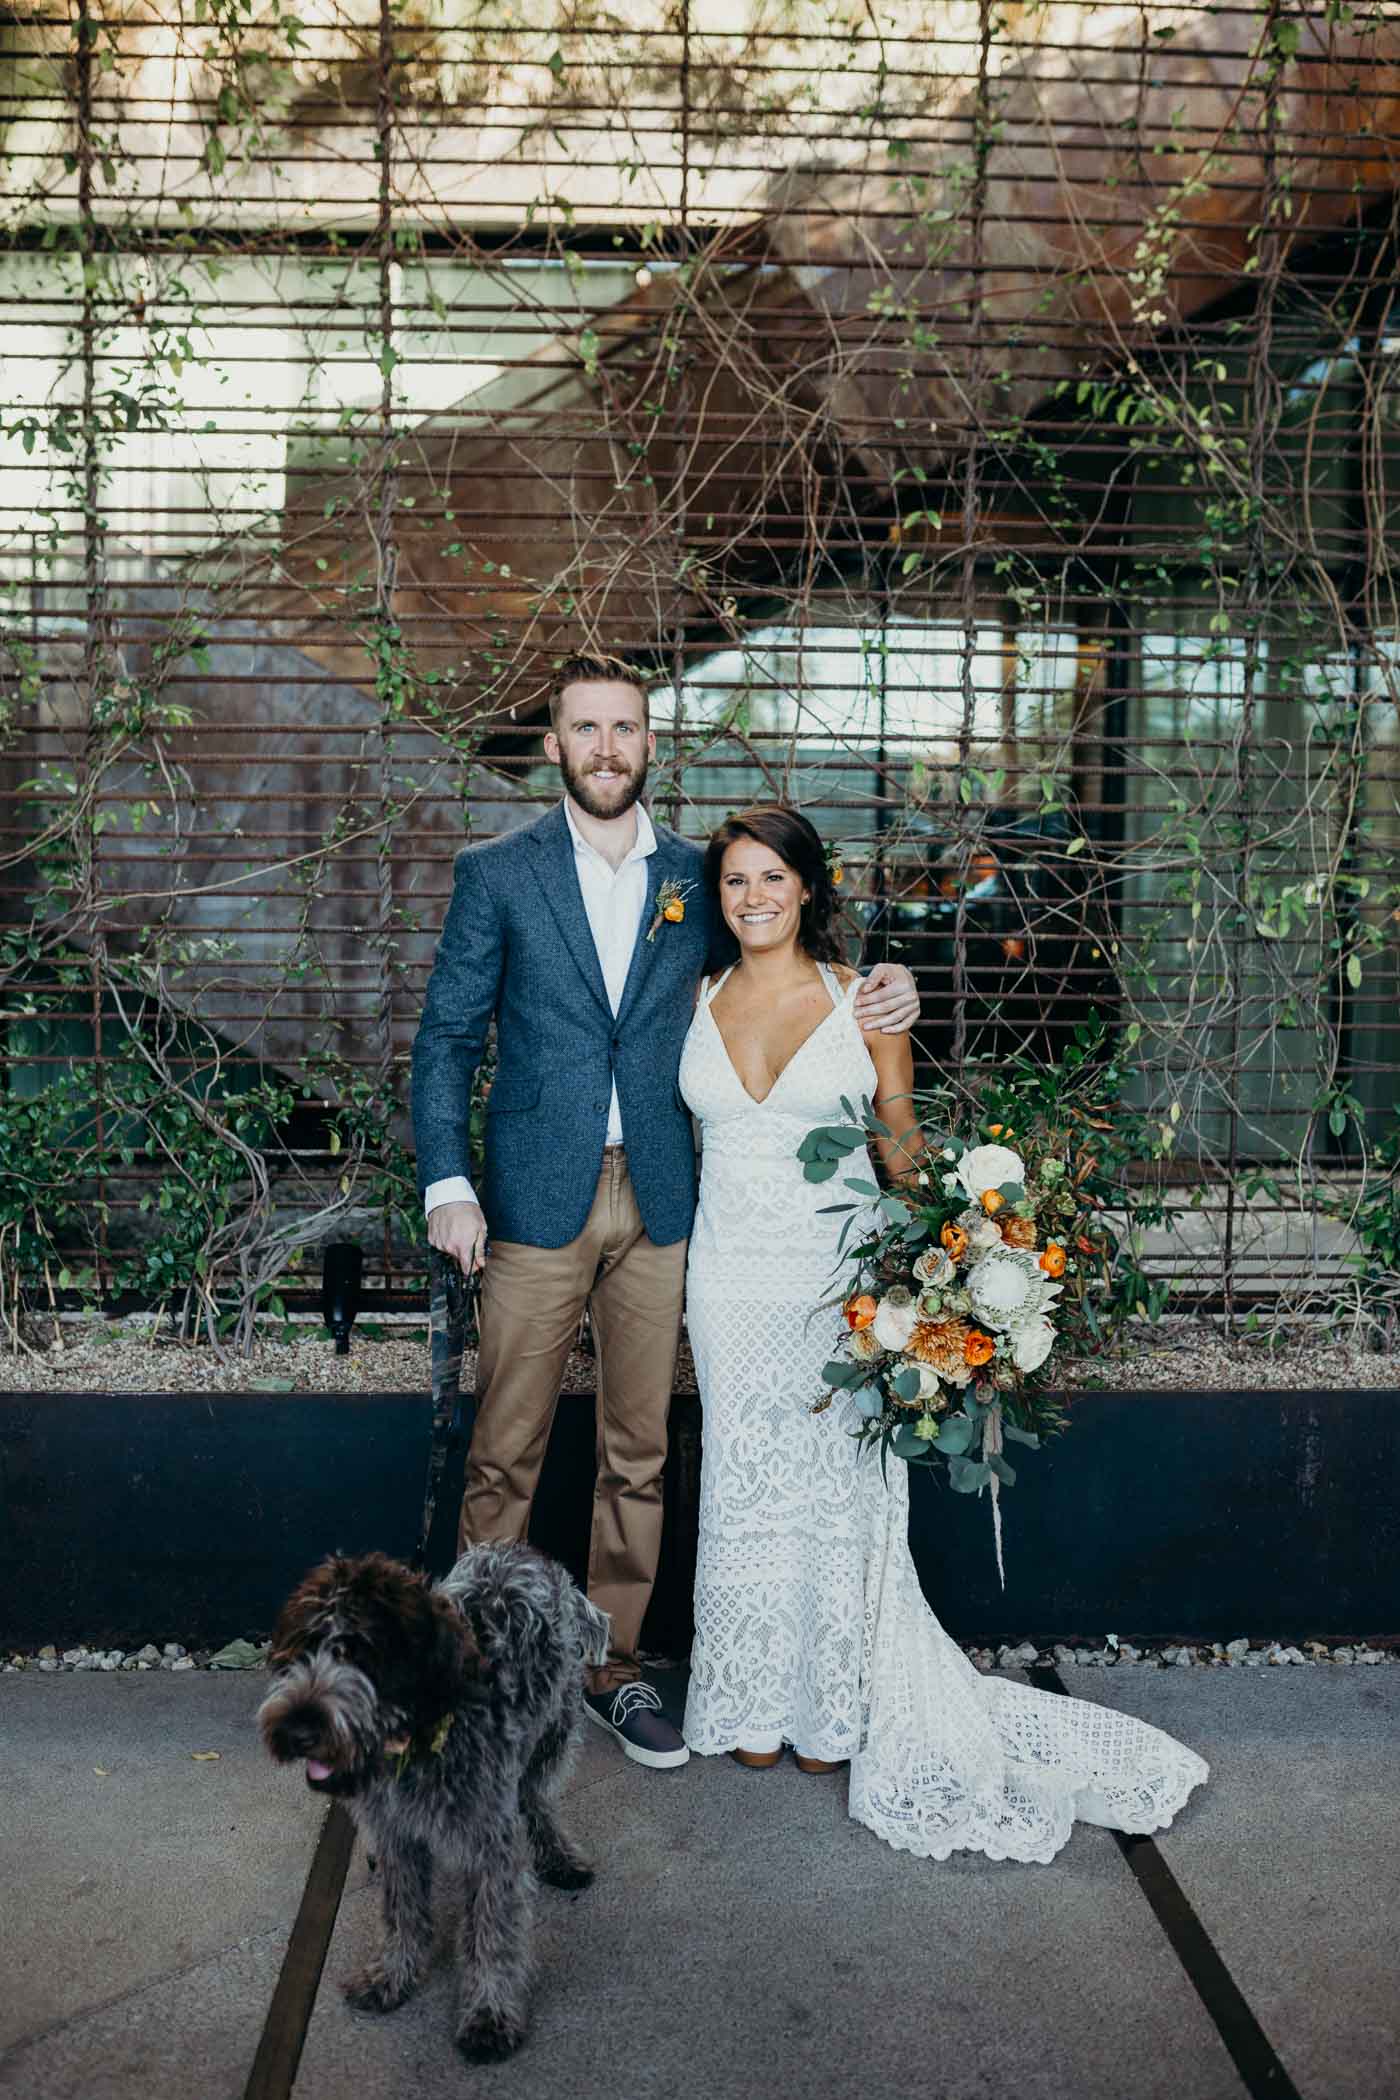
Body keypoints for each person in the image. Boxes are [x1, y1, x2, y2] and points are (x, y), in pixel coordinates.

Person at [410, 658, 920, 1772]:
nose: (604, 747)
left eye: (624, 729)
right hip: (531, 1199)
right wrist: (448, 1183)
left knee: (638, 1448)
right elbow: (446, 1039)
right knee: (507, 1450)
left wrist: (892, 992)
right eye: (584, 729)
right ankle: (482, 1672)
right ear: (553, 745)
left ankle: (612, 1665)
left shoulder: (699, 877)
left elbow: (790, 959)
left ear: (649, 745)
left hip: (666, 1201)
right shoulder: (497, 873)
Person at [679, 804, 1208, 1859]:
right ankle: (744, 1702)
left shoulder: (866, 999)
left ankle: (830, 1709)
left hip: (838, 1279)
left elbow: (898, 1138)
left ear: (808, 888)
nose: (754, 899)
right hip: (725, 1280)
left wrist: (965, 1247)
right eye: (736, 881)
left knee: (837, 1482)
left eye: (772, 879)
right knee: (743, 1474)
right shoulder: (691, 997)